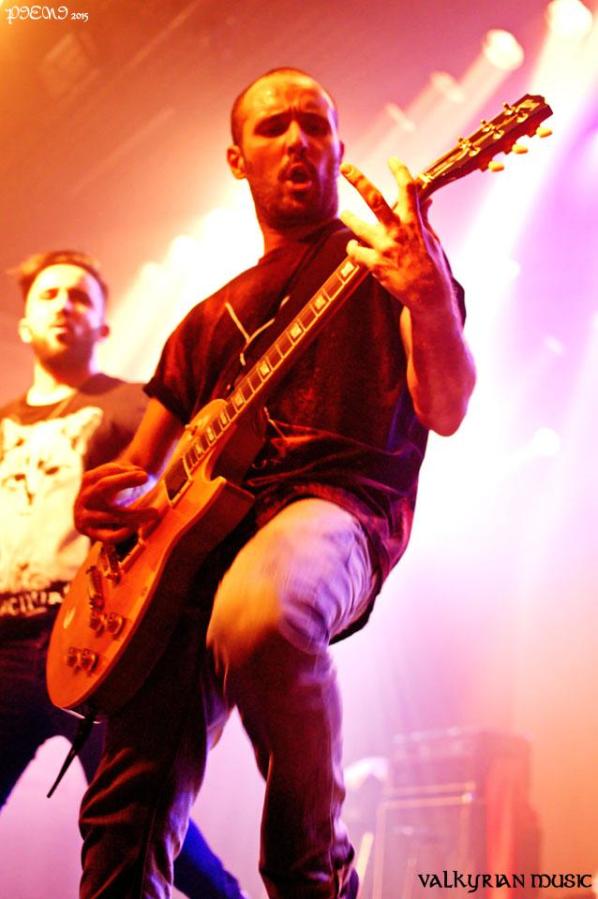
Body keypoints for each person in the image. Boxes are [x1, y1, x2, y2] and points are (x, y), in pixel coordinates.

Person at [74, 67, 477, 899]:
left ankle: (313, 874)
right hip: (188, 556)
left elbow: (445, 407)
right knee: (122, 813)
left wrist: (431, 297)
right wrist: (112, 504)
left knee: (261, 614)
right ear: (237, 159)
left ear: (339, 147)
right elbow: (143, 476)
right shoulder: (202, 322)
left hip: (331, 508)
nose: (297, 139)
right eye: (273, 127)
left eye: (314, 125)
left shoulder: (389, 261)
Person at [0, 249, 247, 899]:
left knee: (140, 822)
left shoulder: (136, 406)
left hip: (92, 640)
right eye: (49, 295)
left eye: (80, 296)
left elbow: (182, 489)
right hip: (3, 642)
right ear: (23, 324)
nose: (64, 305)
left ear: (105, 325)